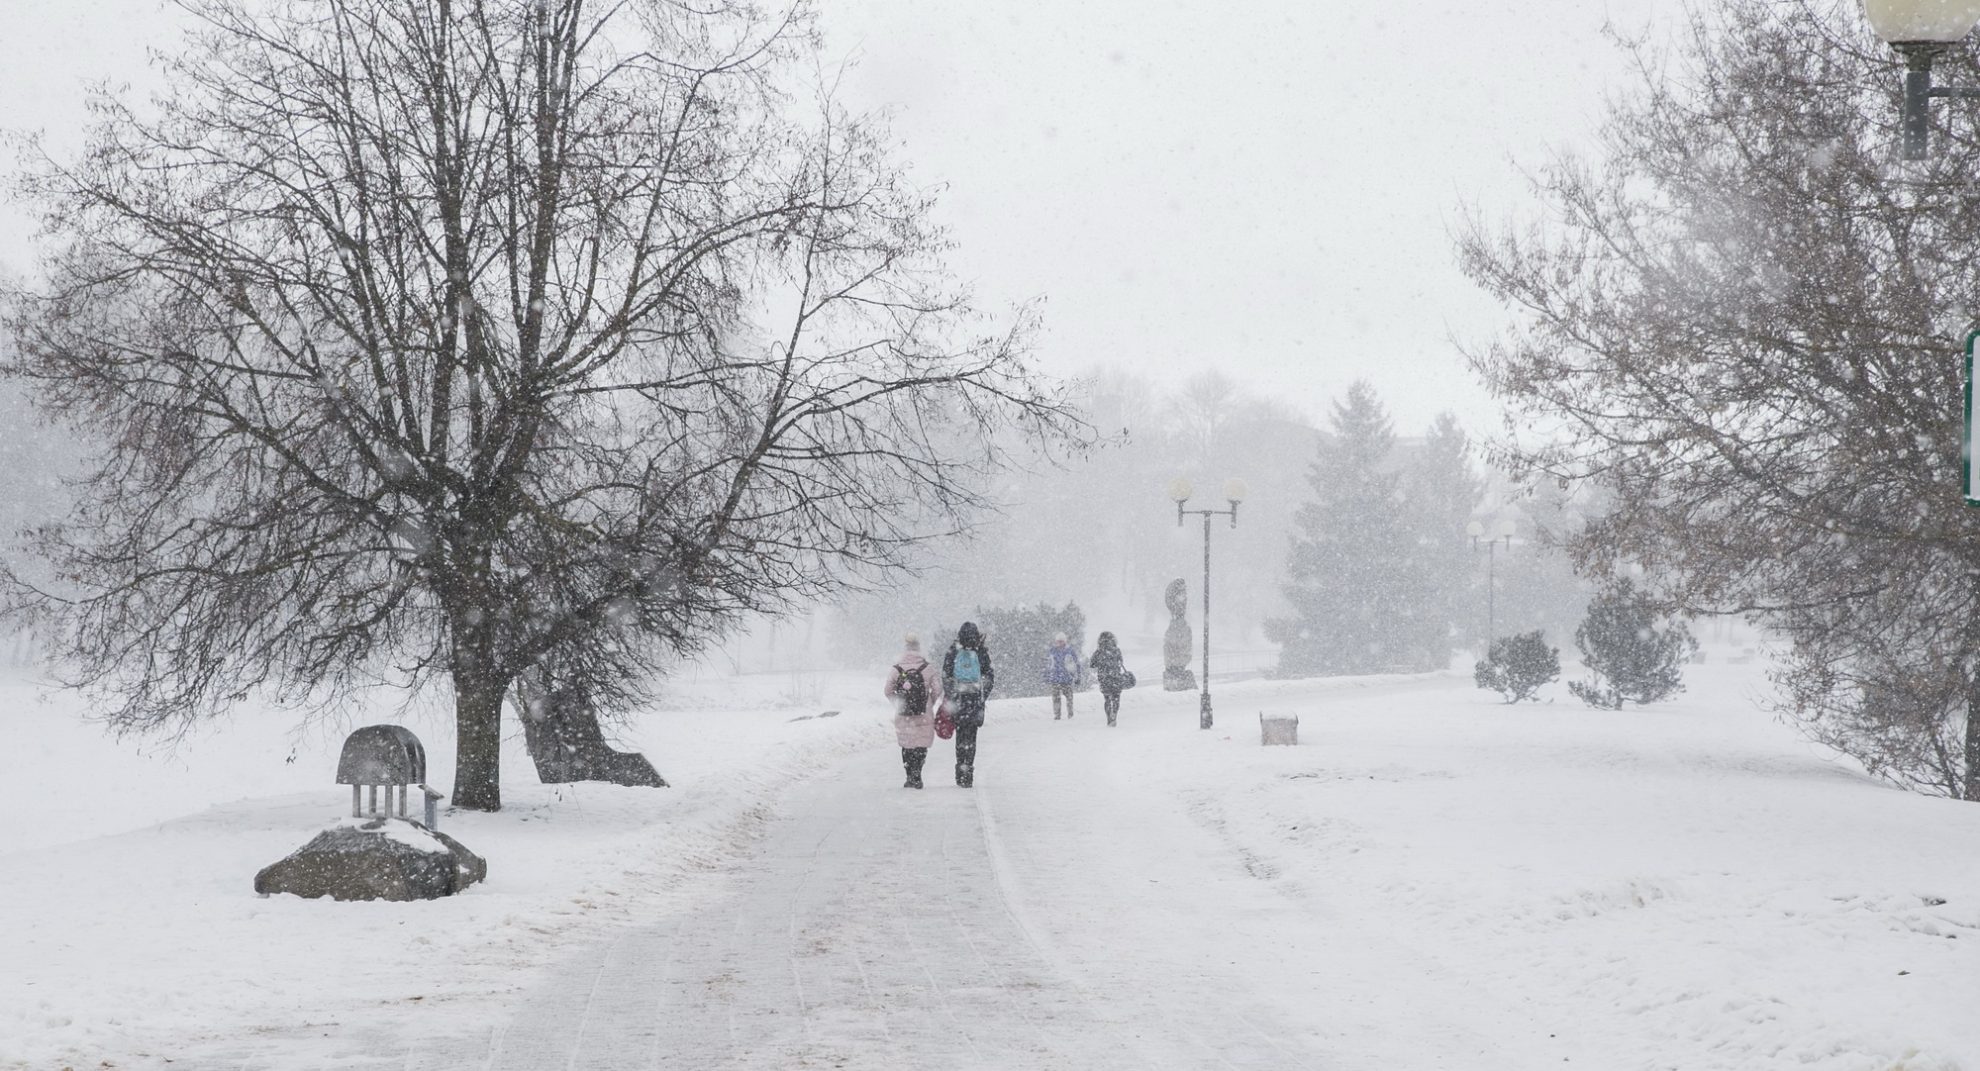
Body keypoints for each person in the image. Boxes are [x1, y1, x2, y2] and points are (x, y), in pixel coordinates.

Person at [883, 634, 943, 789]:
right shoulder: (928, 667)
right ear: (919, 649)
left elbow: (887, 690)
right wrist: (930, 701)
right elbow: (937, 688)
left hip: (904, 713)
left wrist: (898, 702)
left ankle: (909, 775)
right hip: (924, 712)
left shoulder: (897, 668)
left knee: (907, 744)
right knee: (920, 743)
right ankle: (918, 774)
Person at [941, 621, 995, 787]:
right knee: (971, 738)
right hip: (974, 702)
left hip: (959, 701)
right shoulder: (981, 652)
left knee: (960, 737)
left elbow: (946, 675)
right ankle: (968, 772)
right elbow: (989, 676)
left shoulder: (953, 651)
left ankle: (960, 771)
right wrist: (981, 696)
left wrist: (952, 695)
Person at [1088, 631, 1132, 727]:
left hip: (1104, 679)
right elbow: (1121, 662)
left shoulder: (1099, 651)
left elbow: (1092, 664)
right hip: (1116, 678)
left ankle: (1109, 717)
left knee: (1107, 699)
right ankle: (1114, 715)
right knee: (1116, 698)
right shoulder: (1116, 650)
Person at [1044, 632, 1081, 720]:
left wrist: (1078, 676)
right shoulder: (1052, 651)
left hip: (1067, 679)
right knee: (1056, 698)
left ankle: (1070, 714)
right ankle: (1057, 715)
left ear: (1065, 641)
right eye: (1058, 641)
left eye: (1061, 641)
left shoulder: (1070, 651)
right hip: (1055, 679)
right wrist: (1046, 676)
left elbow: (1076, 664)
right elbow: (1048, 664)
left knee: (1069, 698)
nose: (1059, 643)